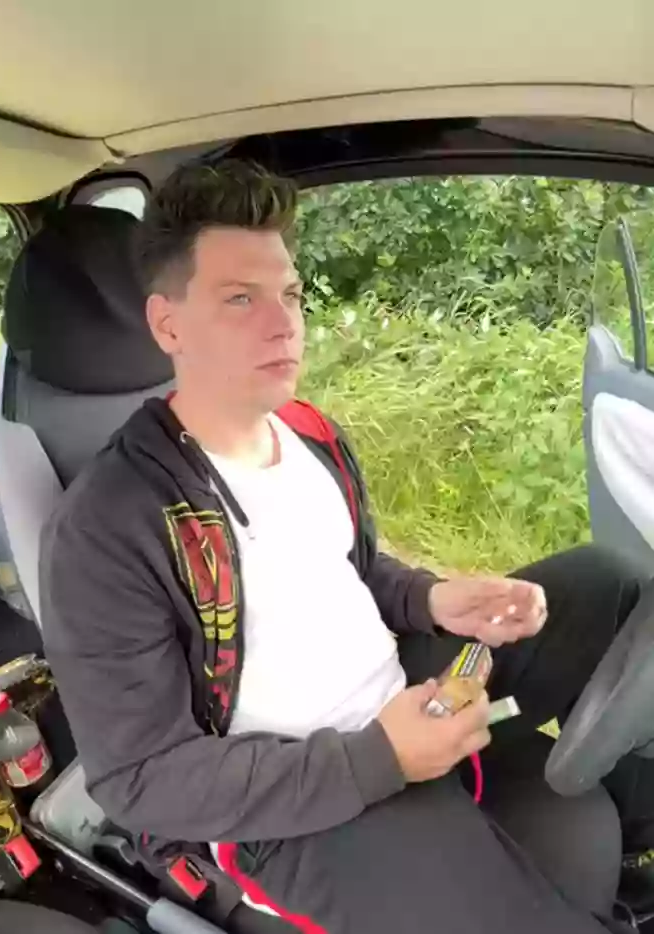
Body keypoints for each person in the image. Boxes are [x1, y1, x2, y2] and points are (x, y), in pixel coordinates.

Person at [40, 160, 653, 934]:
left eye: (290, 295)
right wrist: (382, 757)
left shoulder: (309, 434)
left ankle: (632, 826)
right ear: (168, 326)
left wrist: (432, 598)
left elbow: (354, 569)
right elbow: (141, 779)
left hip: (400, 695)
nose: (283, 324)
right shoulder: (109, 522)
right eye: (240, 299)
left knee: (609, 585)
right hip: (289, 802)